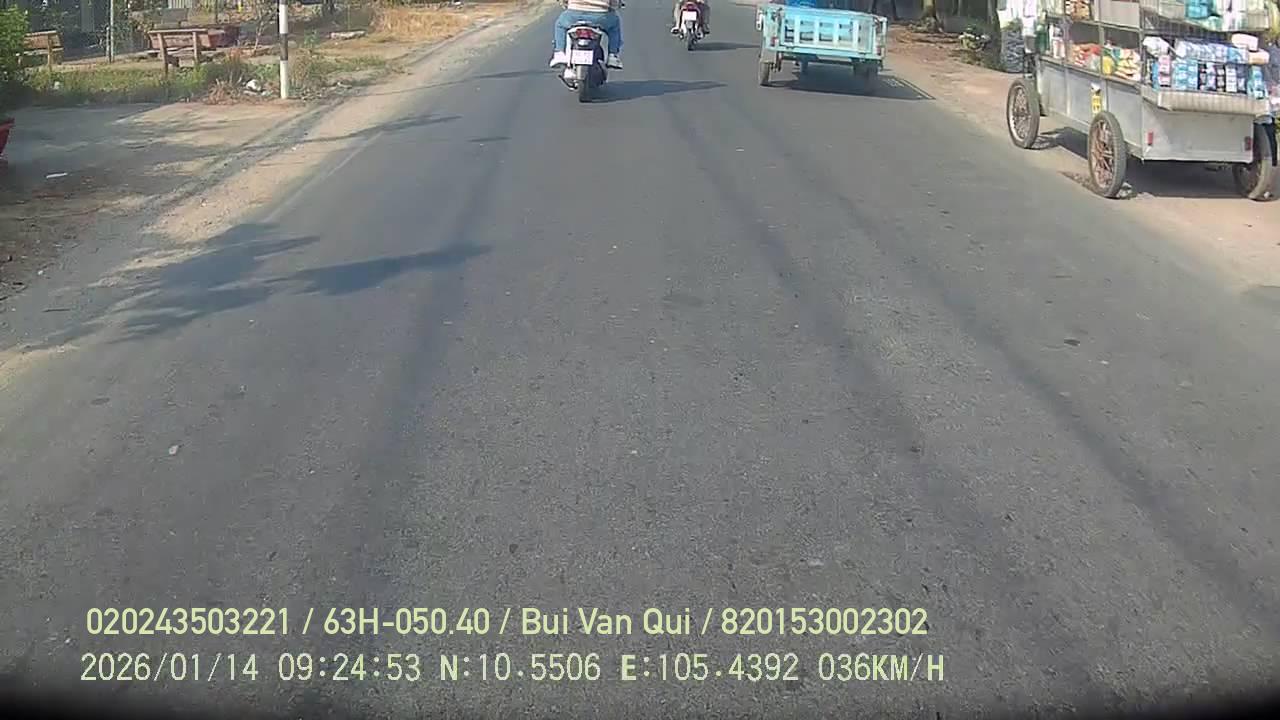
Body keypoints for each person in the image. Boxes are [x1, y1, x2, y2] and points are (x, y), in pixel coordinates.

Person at [550, 0, 624, 70]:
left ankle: (560, 52)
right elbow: (614, 3)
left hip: (574, 14)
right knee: (614, 25)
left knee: (560, 25)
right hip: (599, 15)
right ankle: (612, 55)